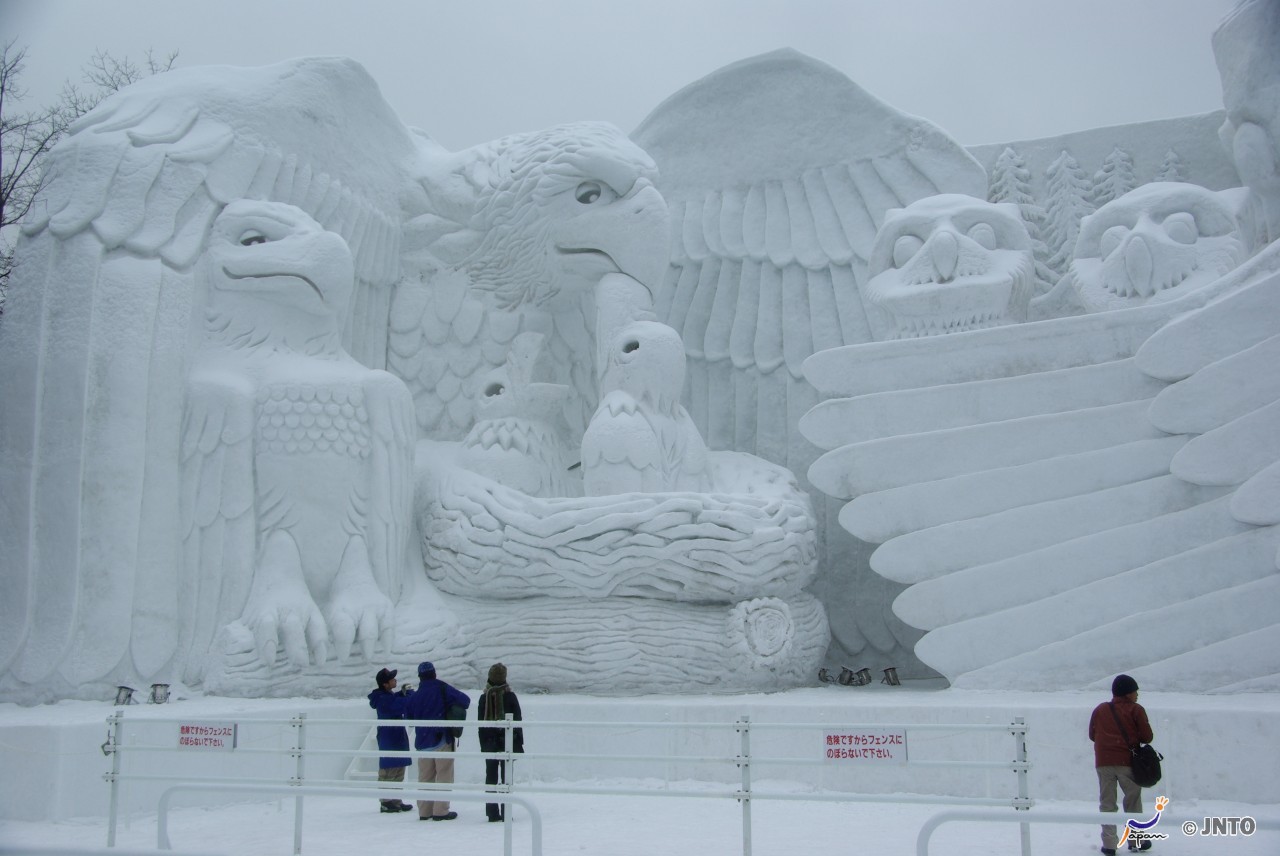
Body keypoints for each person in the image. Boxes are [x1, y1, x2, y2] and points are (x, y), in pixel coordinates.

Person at [1088, 674, 1154, 855]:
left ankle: (1109, 844)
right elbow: (1147, 737)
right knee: (1132, 801)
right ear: (1127, 693)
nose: (1137, 694)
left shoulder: (1100, 709)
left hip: (1103, 763)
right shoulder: (1136, 710)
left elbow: (1092, 735)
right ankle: (1136, 840)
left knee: (1107, 803)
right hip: (1127, 763)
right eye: (1135, 691)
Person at [404, 660, 470, 821]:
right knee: (443, 774)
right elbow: (465, 701)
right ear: (434, 673)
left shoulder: (416, 696)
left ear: (420, 677)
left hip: (422, 742)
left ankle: (424, 811)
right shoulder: (442, 688)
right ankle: (440, 811)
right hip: (441, 738)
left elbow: (409, 717)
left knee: (425, 777)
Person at [477, 662, 525, 822]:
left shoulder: (484, 697)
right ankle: (506, 811)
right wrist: (519, 743)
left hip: (489, 742)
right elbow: (517, 720)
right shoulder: (510, 697)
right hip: (507, 743)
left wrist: (483, 743)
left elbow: (480, 724)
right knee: (506, 778)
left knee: (490, 777)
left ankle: (491, 812)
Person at [367, 667, 414, 813]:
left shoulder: (386, 696)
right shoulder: (382, 699)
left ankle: (395, 799)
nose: (395, 680)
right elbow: (397, 705)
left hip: (395, 735)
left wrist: (402, 693)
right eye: (392, 679)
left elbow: (395, 701)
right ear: (385, 684)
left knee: (399, 768)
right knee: (389, 770)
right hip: (390, 737)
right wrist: (408, 696)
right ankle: (386, 801)